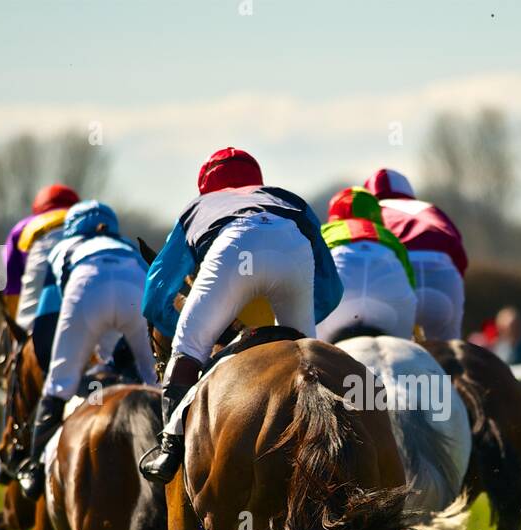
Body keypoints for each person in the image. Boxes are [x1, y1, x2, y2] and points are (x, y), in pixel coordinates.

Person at [138, 148, 342, 485]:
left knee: (187, 348)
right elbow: (331, 290)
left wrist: (198, 336)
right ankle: (331, 448)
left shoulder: (199, 207)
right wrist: (283, 330)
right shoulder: (287, 200)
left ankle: (170, 447)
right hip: (292, 248)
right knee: (307, 362)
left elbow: (157, 289)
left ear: (207, 187)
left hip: (234, 247)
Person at [14, 200, 154, 499]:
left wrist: (58, 370)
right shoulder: (127, 246)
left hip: (86, 289)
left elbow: (47, 320)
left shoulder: (61, 250)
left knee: (58, 385)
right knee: (154, 384)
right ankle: (173, 448)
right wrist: (126, 363)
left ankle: (34, 468)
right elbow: (156, 304)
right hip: (135, 292)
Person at [363, 168, 468, 341]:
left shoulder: (369, 213)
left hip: (399, 280)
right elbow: (460, 261)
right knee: (451, 356)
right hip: (445, 278)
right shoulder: (431, 209)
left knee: (391, 356)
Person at [316, 186, 418, 342]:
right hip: (389, 302)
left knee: (312, 359)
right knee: (406, 355)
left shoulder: (325, 231)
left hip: (338, 301)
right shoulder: (389, 236)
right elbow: (411, 284)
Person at [1, 184, 82, 371]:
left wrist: (18, 335)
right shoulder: (86, 222)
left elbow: (11, 287)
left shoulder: (22, 228)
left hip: (40, 312)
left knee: (18, 361)